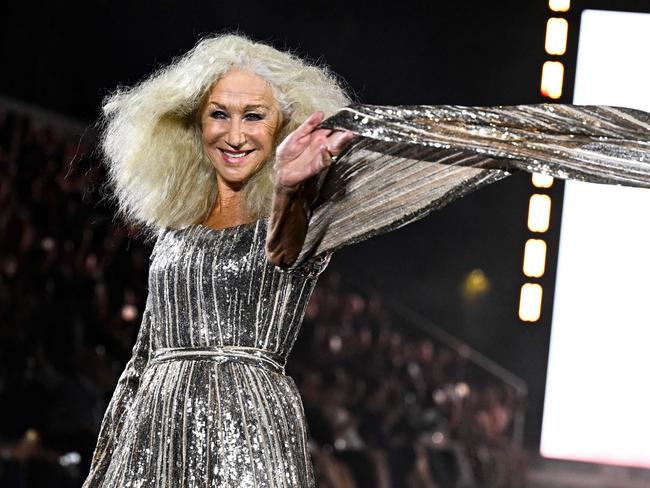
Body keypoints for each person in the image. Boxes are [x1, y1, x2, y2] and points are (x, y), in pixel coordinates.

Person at [83, 33, 650, 487]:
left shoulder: (300, 211)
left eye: (253, 116)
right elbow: (145, 353)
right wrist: (113, 449)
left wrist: (288, 189)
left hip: (245, 421)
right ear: (191, 123)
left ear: (282, 127)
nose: (234, 134)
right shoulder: (174, 229)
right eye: (219, 115)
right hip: (156, 426)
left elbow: (279, 254)